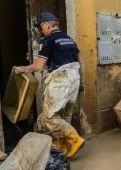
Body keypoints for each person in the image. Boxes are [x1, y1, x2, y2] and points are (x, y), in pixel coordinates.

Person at [15, 12, 85, 158]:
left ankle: (74, 138)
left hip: (61, 79)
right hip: (75, 77)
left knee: (49, 117)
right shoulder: (69, 39)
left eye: (41, 28)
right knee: (65, 115)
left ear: (47, 25)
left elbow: (39, 66)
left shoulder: (49, 40)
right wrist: (81, 83)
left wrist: (22, 69)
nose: (41, 31)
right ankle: (65, 145)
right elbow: (81, 62)